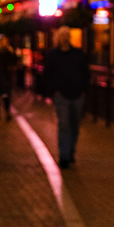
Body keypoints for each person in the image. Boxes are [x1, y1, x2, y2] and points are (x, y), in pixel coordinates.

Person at [42, 26, 90, 168]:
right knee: (64, 125)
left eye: (67, 35)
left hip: (77, 95)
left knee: (74, 125)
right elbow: (47, 74)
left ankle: (70, 150)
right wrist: (54, 90)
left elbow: (86, 72)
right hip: (61, 96)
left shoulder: (78, 54)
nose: (65, 38)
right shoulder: (53, 55)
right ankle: (64, 156)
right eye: (62, 36)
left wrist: (83, 89)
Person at [0, 34, 18, 120]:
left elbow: (14, 61)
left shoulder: (8, 51)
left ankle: (6, 112)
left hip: (6, 76)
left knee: (6, 95)